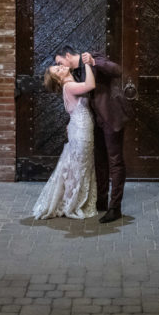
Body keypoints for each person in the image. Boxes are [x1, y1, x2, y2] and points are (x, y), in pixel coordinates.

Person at [54, 46, 127, 223]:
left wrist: (94, 62)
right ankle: (101, 201)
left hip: (110, 118)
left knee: (115, 162)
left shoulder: (93, 57)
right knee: (100, 162)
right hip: (94, 124)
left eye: (59, 62)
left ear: (68, 55)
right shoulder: (75, 73)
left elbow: (117, 71)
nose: (59, 66)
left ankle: (114, 208)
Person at [32, 61, 98, 220]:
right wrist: (88, 63)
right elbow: (90, 85)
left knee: (80, 165)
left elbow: (73, 109)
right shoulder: (69, 86)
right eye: (58, 70)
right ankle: (71, 204)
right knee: (79, 167)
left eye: (59, 66)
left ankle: (75, 201)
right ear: (59, 80)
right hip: (81, 131)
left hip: (80, 128)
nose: (61, 67)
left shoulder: (70, 84)